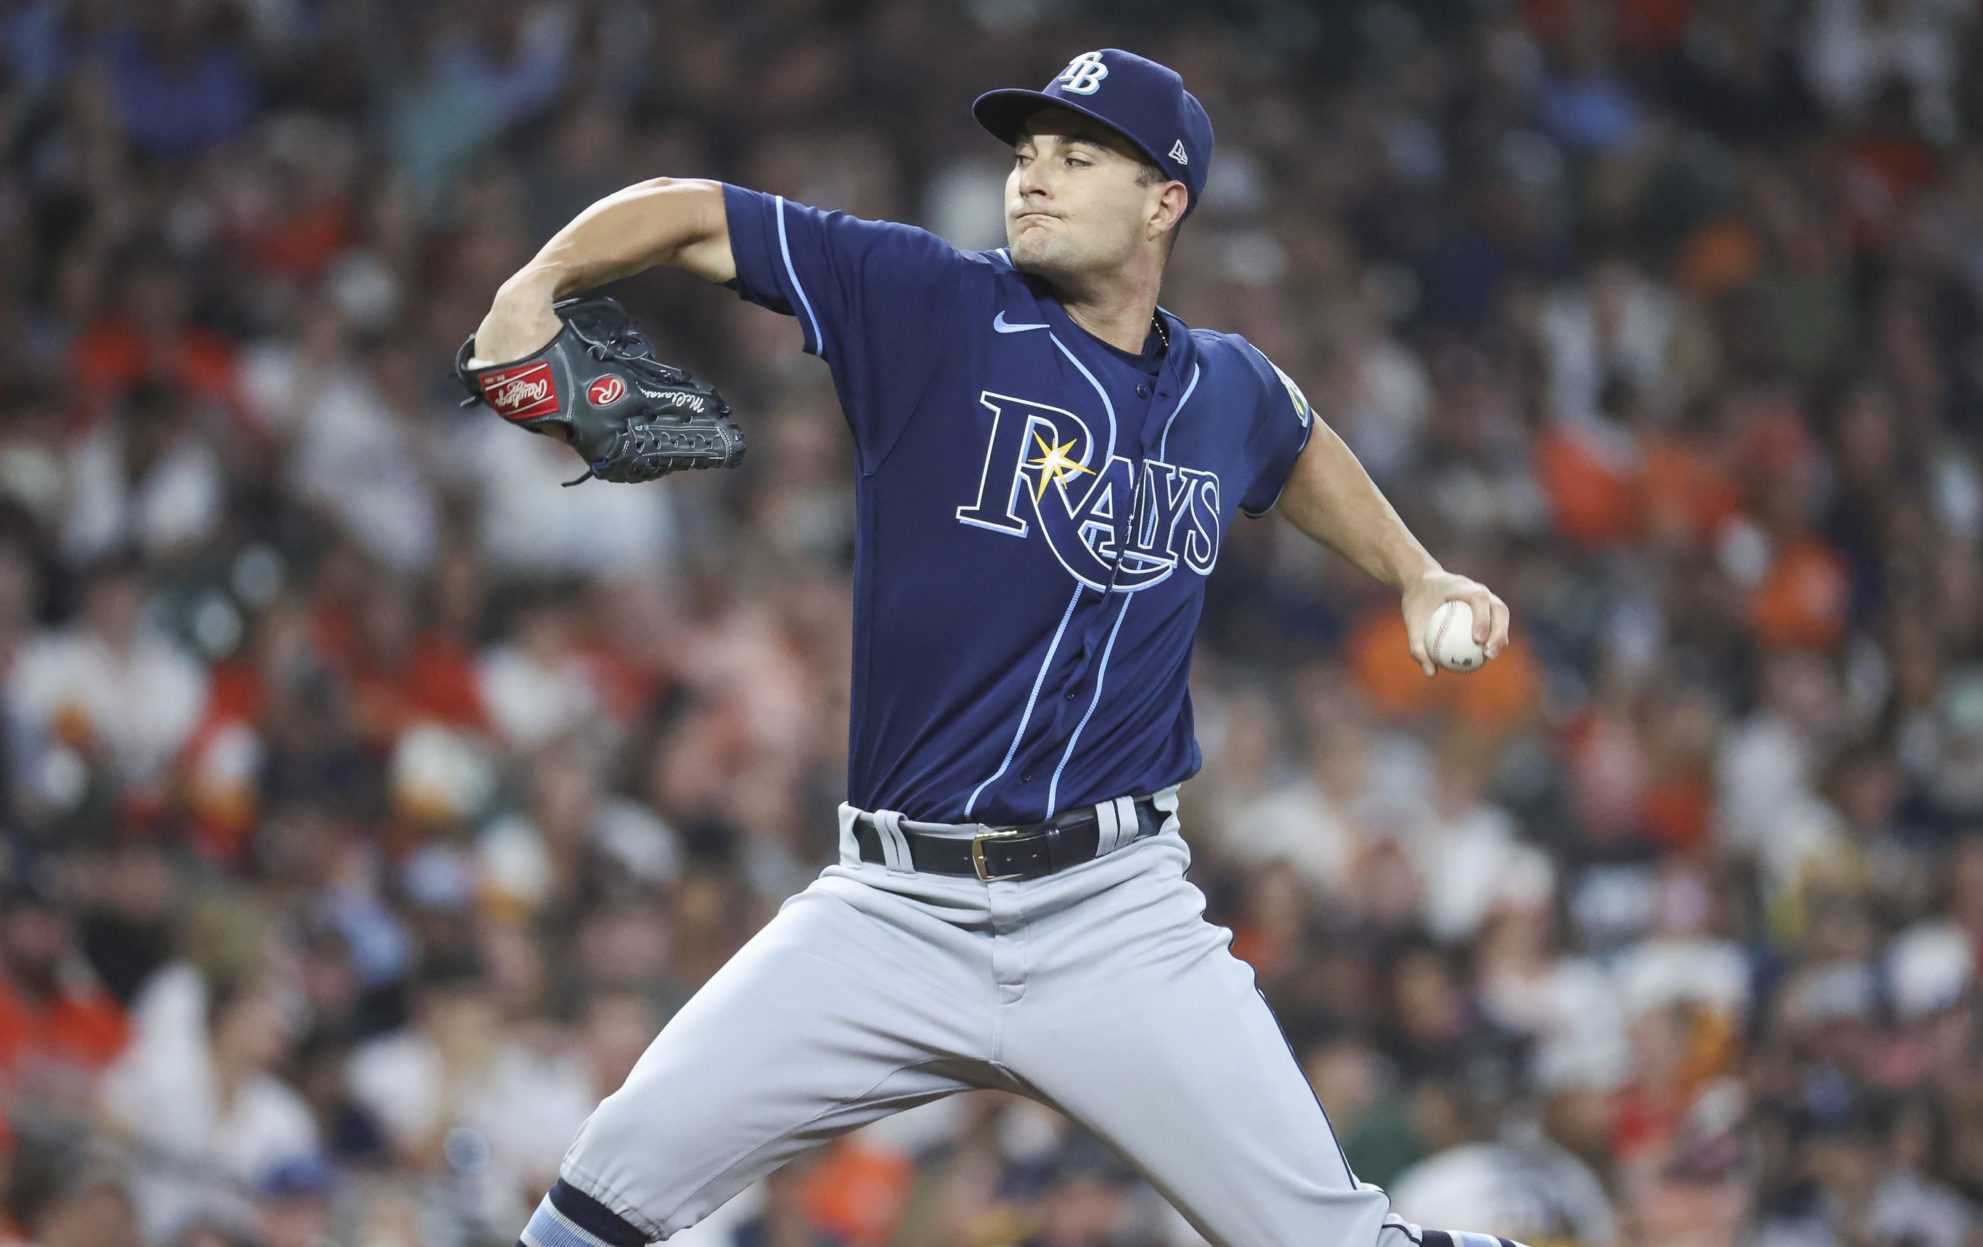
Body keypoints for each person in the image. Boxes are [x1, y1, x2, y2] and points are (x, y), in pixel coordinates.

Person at [472, 48, 1517, 1247]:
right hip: (889, 911)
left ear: (1164, 200)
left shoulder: (1221, 386)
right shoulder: (928, 301)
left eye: (1076, 156)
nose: (1032, 176)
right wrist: (539, 279)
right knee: (587, 1214)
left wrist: (1415, 571)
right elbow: (692, 211)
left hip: (1113, 915)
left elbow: (1295, 440)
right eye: (1025, 154)